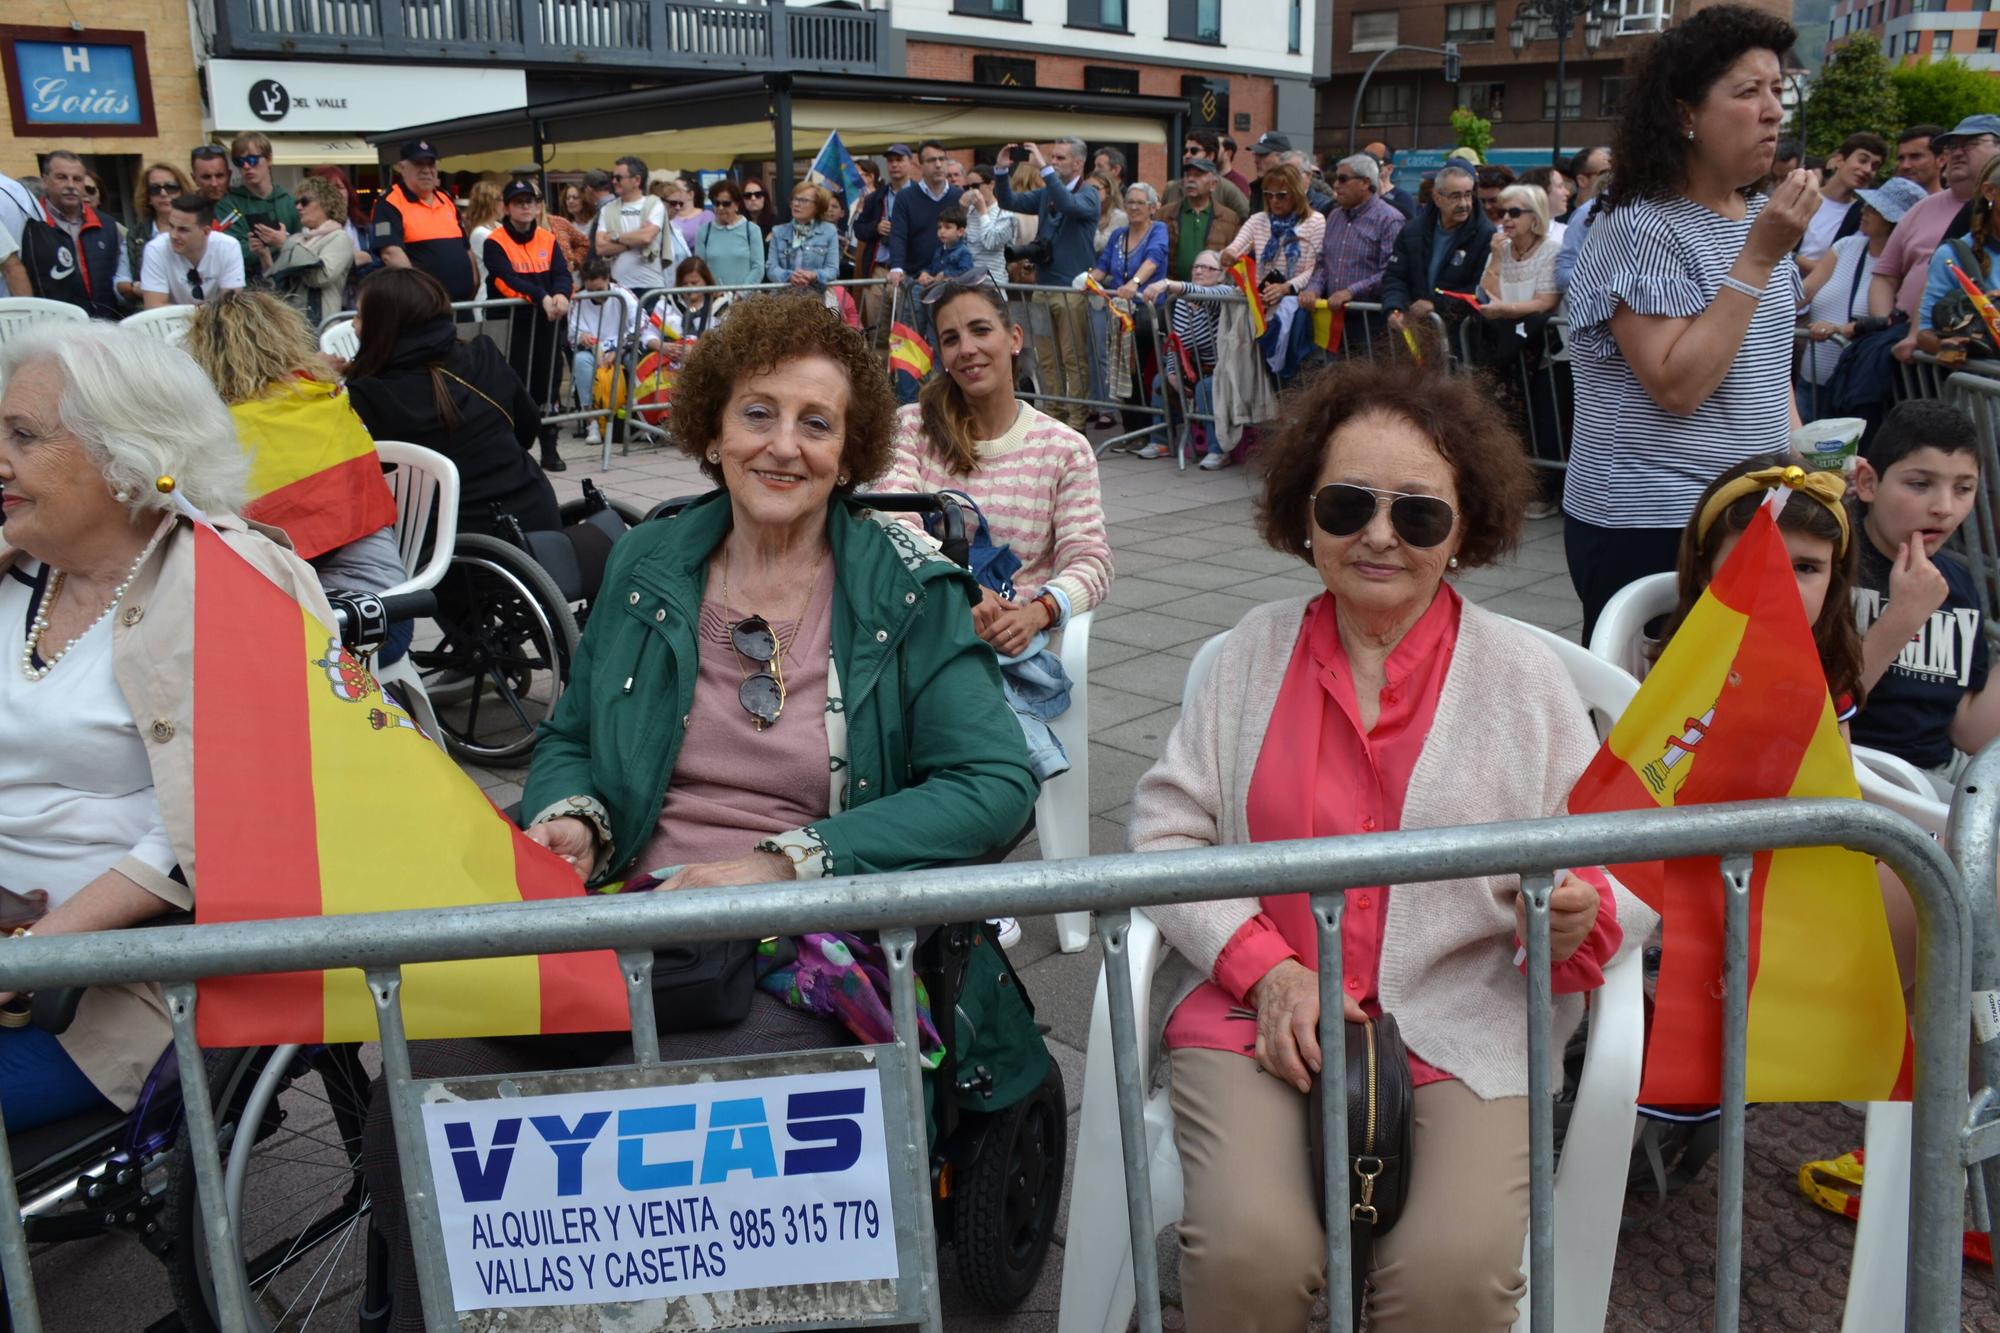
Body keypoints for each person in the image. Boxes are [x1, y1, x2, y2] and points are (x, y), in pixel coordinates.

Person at [358, 292, 1040, 1332]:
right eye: (758, 414)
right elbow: (576, 734)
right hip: (633, 900)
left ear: (850, 447)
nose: (783, 446)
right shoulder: (648, 561)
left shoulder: (909, 588)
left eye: (816, 423)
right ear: (712, 428)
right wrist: (573, 819)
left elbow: (992, 784)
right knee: (427, 1073)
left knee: (717, 1099)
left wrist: (781, 865)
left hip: (810, 924)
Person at [1127, 354, 1648, 1333]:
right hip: (1260, 1015)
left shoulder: (1525, 680)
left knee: (1450, 1282)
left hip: (1461, 1019)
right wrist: (1266, 969)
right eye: (1345, 506)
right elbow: (1164, 829)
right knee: (1251, 1254)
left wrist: (1575, 908)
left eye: (1415, 514)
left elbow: (1596, 867)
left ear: (1463, 527)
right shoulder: (1248, 650)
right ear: (1303, 512)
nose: (1376, 536)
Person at [0, 321, 332, 1133]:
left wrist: (33, 949)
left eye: (23, 436)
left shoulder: (229, 582)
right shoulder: (19, 570)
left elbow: (209, 830)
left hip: (117, 986)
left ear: (124, 455)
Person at [1561, 4, 1813, 642]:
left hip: (1751, 510)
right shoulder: (1643, 225)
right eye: (1748, 92)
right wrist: (1758, 255)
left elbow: (1765, 363)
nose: (1773, 111)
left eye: (1777, 91)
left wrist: (1807, 455)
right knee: (1657, 729)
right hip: (1656, 523)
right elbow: (1676, 385)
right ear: (1685, 113)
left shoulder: (1755, 212)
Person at [881, 280, 1113, 863]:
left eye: (980, 330)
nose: (967, 349)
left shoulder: (1062, 448)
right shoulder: (913, 426)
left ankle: (968, 872)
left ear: (1013, 339)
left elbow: (1092, 559)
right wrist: (958, 587)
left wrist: (1042, 611)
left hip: (1011, 638)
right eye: (951, 338)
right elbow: (888, 519)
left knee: (969, 702)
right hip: (925, 619)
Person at [183, 291, 405, 619]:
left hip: (332, 630)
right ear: (288, 338)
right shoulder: (328, 399)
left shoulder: (215, 435)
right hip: (387, 603)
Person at [1847, 400, 1998, 790]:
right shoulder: (1828, 565)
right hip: (1861, 774)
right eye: (1920, 484)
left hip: (1940, 774)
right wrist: (1904, 615)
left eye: (1963, 489)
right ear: (1868, 482)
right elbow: (1816, 710)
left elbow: (1967, 732)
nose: (1944, 509)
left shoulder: (1957, 583)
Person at [343, 268, 560, 538]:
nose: (353, 324)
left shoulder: (368, 394)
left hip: (450, 543)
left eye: (360, 316)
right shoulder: (483, 355)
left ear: (383, 326)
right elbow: (527, 429)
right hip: (537, 514)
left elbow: (354, 484)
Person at [1870, 115, 2000, 359]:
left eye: (1970, 143)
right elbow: (1885, 276)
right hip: (1936, 372)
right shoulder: (1924, 212)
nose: (1958, 153)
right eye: (1952, 147)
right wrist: (1888, 327)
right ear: (1990, 192)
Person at [994, 139, 1101, 432]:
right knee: (1046, 356)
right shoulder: (1046, 194)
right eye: (1052, 156)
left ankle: (1076, 419)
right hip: (1043, 288)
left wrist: (1043, 168)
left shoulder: (1090, 195)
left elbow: (1068, 204)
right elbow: (1009, 202)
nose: (1053, 161)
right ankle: (1053, 414)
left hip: (1072, 291)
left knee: (1072, 357)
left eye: (1060, 158)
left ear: (1078, 163)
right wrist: (1002, 171)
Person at [1798, 175, 1923, 417]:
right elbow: (1807, 290)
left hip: (1852, 387)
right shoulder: (1846, 246)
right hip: (1810, 378)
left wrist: (1840, 330)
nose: (1864, 210)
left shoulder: (1906, 268)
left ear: (1895, 222)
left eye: (1874, 209)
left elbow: (1891, 325)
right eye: (1867, 204)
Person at [483, 181, 575, 472]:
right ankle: (515, 452)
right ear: (507, 207)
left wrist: (561, 294)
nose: (526, 206)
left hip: (546, 325)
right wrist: (541, 297)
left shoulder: (547, 239)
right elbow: (504, 279)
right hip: (513, 327)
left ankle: (550, 448)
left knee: (547, 386)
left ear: (538, 206)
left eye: (530, 201)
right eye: (519, 201)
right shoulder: (495, 241)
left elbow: (562, 274)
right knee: (513, 387)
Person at [1300, 154, 1404, 351]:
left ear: (1365, 183)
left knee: (1367, 380)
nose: (1336, 185)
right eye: (1335, 179)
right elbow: (1323, 263)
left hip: (1370, 322)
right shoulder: (1334, 216)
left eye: (1343, 179)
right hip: (1333, 321)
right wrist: (1313, 288)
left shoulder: (1390, 220)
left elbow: (1390, 272)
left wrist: (1351, 292)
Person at [1380, 162, 1494, 336]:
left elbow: (1479, 290)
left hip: (1461, 336)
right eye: (1455, 196)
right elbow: (1395, 275)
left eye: (1468, 195)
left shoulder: (1485, 234)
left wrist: (1436, 304)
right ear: (1437, 197)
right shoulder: (1413, 230)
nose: (1464, 203)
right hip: (1416, 332)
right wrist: (1394, 307)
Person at [1144, 250, 1232, 466]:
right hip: (1190, 365)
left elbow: (1202, 294)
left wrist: (1166, 284)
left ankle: (1218, 449)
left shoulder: (1225, 293)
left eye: (1208, 267)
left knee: (1206, 387)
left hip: (1222, 369)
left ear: (1221, 274)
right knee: (1160, 380)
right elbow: (1177, 340)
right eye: (1196, 267)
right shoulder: (1182, 301)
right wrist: (1173, 373)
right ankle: (1162, 441)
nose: (1200, 270)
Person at [17, 151, 127, 320]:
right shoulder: (31, 225)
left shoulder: (107, 225)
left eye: (77, 179)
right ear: (45, 180)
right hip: (53, 326)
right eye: (61, 177)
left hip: (105, 325)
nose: (70, 185)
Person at [371, 140, 475, 303]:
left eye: (431, 164)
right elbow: (390, 254)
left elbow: (466, 247)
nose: (426, 170)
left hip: (462, 304)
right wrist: (419, 293)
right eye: (419, 164)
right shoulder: (389, 202)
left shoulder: (445, 198)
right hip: (424, 306)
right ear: (402, 168)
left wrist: (473, 283)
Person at [1219, 160, 1326, 316]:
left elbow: (1313, 268)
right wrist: (1228, 254)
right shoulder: (1258, 219)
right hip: (1260, 305)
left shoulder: (1315, 221)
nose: (1274, 200)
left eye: (1281, 195)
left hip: (1294, 306)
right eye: (1269, 195)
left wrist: (1286, 287)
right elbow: (1235, 247)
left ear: (1296, 193)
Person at [1918, 155, 2000, 357]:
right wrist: (1947, 347)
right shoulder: (1954, 255)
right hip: (1984, 384)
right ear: (1990, 192)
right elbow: (1924, 334)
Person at [567, 256, 652, 447]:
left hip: (624, 346)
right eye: (591, 290)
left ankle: (640, 417)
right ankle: (592, 422)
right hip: (594, 350)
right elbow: (572, 335)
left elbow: (642, 321)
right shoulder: (579, 300)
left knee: (632, 362)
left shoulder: (622, 294)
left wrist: (619, 348)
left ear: (608, 280)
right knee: (581, 361)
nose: (596, 295)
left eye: (600, 289)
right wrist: (582, 337)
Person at [266, 174, 355, 327]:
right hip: (292, 325)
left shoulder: (339, 238)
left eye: (305, 201)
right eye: (297, 202)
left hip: (321, 327)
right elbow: (275, 282)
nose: (298, 207)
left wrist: (285, 245)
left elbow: (321, 277)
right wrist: (263, 252)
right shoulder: (295, 239)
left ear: (325, 203)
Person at [597, 155, 685, 299]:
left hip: (650, 287)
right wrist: (635, 240)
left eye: (619, 178)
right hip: (618, 288)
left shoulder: (654, 204)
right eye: (612, 177)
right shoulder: (608, 209)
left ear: (636, 180)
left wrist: (615, 236)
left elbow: (646, 237)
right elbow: (600, 247)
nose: (614, 181)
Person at [1798, 132, 1887, 275]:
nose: (1867, 170)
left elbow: (1836, 270)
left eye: (1875, 166)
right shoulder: (1803, 195)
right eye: (1862, 160)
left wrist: (1792, 257)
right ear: (1839, 160)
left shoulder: (1862, 216)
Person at [137, 195, 245, 310]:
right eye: (172, 226)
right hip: (171, 325)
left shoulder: (229, 247)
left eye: (183, 230)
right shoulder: (155, 249)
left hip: (217, 324)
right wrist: (201, 311)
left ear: (206, 231)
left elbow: (230, 306)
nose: (173, 235)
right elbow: (154, 308)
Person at [888, 141, 965, 299]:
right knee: (913, 323)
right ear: (920, 165)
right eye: (931, 160)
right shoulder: (905, 197)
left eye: (942, 159)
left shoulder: (959, 196)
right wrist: (896, 266)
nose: (938, 165)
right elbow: (898, 235)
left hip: (950, 280)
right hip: (915, 280)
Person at [220, 132, 302, 280]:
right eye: (240, 162)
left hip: (291, 282)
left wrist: (284, 242)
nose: (246, 166)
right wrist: (255, 248)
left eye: (252, 160)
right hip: (247, 286)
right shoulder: (228, 205)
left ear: (269, 159)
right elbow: (226, 252)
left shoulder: (290, 201)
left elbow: (307, 245)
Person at [119, 162, 190, 305]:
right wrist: (134, 289)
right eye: (155, 189)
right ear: (148, 197)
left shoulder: (199, 228)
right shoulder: (135, 234)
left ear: (182, 191)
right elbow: (121, 281)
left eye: (171, 187)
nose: (163, 194)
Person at [1163, 157, 1244, 281]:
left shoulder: (1229, 218)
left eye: (1198, 175)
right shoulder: (1165, 214)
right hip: (1172, 292)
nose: (1190, 179)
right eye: (1188, 175)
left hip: (1212, 294)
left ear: (1213, 184)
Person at [766, 181, 842, 290]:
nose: (796, 204)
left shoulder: (829, 231)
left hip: (815, 298)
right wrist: (789, 276)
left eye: (803, 200)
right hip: (784, 299)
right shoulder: (778, 232)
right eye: (794, 199)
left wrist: (814, 275)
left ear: (817, 205)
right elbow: (771, 268)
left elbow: (832, 270)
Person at [695, 178, 765, 290]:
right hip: (715, 299)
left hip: (746, 301)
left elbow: (758, 268)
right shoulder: (703, 232)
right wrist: (716, 294)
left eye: (726, 204)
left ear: (737, 204)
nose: (720, 208)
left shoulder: (752, 230)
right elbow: (700, 269)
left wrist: (741, 294)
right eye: (716, 203)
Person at [1168, 131, 1252, 217]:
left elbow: (1248, 216)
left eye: (1194, 151)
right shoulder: (1171, 188)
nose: (1187, 155)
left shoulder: (1227, 189)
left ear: (1210, 156)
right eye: (1185, 151)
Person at [962, 165, 1016, 285]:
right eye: (967, 187)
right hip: (968, 283)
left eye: (975, 186)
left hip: (993, 283)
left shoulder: (1005, 213)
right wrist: (961, 214)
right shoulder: (970, 211)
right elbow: (959, 243)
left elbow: (991, 242)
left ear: (991, 184)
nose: (971, 191)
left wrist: (982, 212)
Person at [670, 254, 732, 337]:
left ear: (706, 281)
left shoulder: (721, 304)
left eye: (694, 283)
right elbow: (651, 333)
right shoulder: (670, 302)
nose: (689, 288)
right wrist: (664, 345)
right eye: (684, 284)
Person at [920, 205, 977, 289]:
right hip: (939, 294)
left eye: (947, 227)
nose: (941, 231)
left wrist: (946, 275)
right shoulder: (939, 251)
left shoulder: (964, 252)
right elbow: (932, 270)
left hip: (955, 296)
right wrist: (925, 274)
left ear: (960, 232)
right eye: (939, 227)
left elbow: (967, 273)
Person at [462, 179, 504, 293]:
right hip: (487, 294)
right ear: (490, 203)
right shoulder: (480, 233)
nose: (504, 204)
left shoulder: (498, 226)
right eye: (500, 200)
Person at [1362, 140, 1418, 219]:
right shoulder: (1361, 193)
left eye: (1375, 164)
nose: (1368, 168)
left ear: (1389, 169)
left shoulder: (1402, 198)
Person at [1565, 145, 1611, 222]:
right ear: (1582, 180)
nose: (1611, 177)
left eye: (1613, 171)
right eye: (1604, 173)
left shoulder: (1615, 212)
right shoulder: (1561, 215)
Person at [1896, 126, 1944, 194]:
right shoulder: (1883, 203)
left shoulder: (1957, 203)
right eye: (1901, 158)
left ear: (1941, 160)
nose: (1905, 166)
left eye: (1915, 157)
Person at [1219, 134, 1253, 199]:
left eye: (1216, 148)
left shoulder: (1239, 183)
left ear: (1228, 154)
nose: (1212, 152)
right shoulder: (1207, 178)